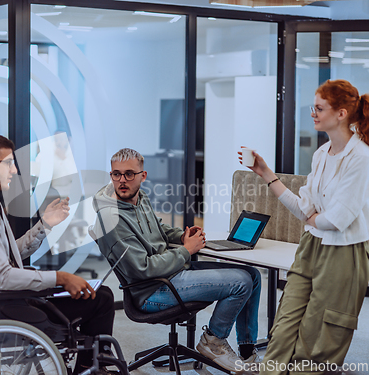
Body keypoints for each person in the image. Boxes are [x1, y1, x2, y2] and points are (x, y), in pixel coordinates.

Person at [0, 133, 115, 372]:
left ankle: (88, 366)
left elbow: (6, 255)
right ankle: (89, 368)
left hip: (1, 300)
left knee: (97, 293)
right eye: (8, 163)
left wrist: (44, 225)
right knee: (101, 299)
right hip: (6, 305)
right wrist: (61, 277)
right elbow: (2, 277)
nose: (15, 170)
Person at [93, 148, 262, 373]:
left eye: (129, 174)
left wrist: (181, 237)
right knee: (241, 282)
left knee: (252, 274)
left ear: (143, 176)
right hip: (153, 290)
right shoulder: (110, 218)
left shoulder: (138, 198)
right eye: (116, 174)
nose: (122, 180)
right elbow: (142, 270)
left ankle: (247, 350)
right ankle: (214, 341)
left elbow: (158, 228)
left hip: (173, 273)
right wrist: (185, 250)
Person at [240, 79, 369, 375]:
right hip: (312, 244)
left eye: (319, 108)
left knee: (320, 333)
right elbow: (304, 210)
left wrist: (313, 218)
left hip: (344, 252)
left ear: (342, 113)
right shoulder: (321, 154)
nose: (313, 113)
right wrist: (266, 174)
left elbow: (337, 220)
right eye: (314, 106)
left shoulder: (361, 158)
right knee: (285, 323)